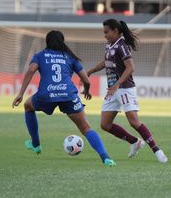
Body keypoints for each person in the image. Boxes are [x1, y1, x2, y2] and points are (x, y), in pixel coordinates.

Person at [12, 30, 116, 167]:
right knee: (86, 128)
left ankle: (36, 144)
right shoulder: (70, 57)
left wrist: (20, 93)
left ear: (47, 42)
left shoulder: (40, 55)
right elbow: (86, 79)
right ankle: (106, 158)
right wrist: (87, 90)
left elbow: (31, 70)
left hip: (46, 95)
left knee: (27, 106)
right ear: (63, 41)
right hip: (68, 95)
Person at [87, 19, 168, 163]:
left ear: (115, 31)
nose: (105, 35)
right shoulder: (109, 45)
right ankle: (134, 142)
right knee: (105, 124)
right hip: (113, 89)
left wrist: (117, 84)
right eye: (104, 32)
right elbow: (106, 62)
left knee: (134, 121)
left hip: (125, 88)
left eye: (107, 32)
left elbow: (130, 67)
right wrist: (91, 71)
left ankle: (157, 150)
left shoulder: (121, 45)